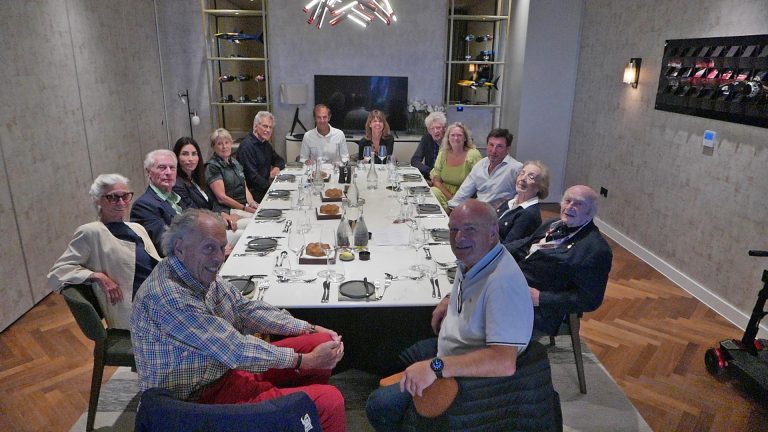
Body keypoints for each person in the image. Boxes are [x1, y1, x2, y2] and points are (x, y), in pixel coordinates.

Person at [131, 209, 346, 432]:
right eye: (209, 248)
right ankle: (294, 413)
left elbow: (246, 309)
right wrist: (304, 361)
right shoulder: (169, 297)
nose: (219, 257)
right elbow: (237, 350)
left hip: (220, 370)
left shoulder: (193, 272)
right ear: (180, 248)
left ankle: (294, 418)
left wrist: (308, 328)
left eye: (222, 247)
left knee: (318, 341)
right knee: (329, 401)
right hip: (195, 403)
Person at [366, 199, 533, 431]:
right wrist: (448, 298)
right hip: (450, 346)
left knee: (379, 405)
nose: (458, 238)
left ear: (493, 233)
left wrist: (435, 367)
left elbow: (504, 362)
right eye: (453, 229)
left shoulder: (503, 284)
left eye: (469, 229)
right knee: (379, 352)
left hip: (466, 373)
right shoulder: (476, 258)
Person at [48, 174, 160, 329]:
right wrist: (97, 276)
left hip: (160, 296)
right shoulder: (91, 232)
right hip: (137, 312)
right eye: (112, 197)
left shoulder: (137, 228)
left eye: (125, 196)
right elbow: (57, 273)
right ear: (97, 200)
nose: (121, 202)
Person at [504, 185, 613, 335]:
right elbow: (525, 245)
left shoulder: (595, 249)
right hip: (514, 283)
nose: (570, 207)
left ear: (590, 212)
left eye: (578, 204)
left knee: (484, 317)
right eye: (567, 200)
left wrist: (542, 298)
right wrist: (495, 251)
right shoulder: (553, 224)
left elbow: (590, 300)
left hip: (540, 308)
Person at [172, 137, 245, 246]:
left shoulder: (197, 178)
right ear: (176, 157)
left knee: (251, 226)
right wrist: (220, 219)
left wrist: (223, 214)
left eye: (194, 154)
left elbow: (212, 203)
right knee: (246, 235)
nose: (190, 158)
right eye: (185, 154)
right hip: (203, 234)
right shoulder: (178, 184)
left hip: (216, 221)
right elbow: (193, 214)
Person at [447, 128, 523, 210]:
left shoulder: (516, 168)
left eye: (499, 146)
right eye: (491, 145)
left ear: (508, 149)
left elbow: (521, 198)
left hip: (499, 216)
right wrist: (450, 208)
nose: (493, 151)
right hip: (478, 213)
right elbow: (463, 192)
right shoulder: (480, 165)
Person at [130, 149, 183, 254]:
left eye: (172, 168)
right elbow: (165, 245)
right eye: (162, 168)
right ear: (149, 172)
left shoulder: (177, 198)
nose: (168, 172)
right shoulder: (144, 205)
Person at [429, 122, 483, 210]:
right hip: (445, 194)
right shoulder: (443, 154)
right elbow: (436, 180)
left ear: (465, 138)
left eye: (459, 135)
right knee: (432, 192)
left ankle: (450, 213)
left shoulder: (473, 155)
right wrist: (450, 197)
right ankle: (448, 212)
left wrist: (457, 199)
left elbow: (480, 182)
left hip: (465, 196)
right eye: (452, 135)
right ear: (448, 138)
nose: (456, 138)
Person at [206, 128, 259, 215]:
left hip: (243, 206)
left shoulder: (235, 162)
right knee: (259, 220)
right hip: (227, 210)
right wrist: (244, 208)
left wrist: (252, 203)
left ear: (231, 144)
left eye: (227, 142)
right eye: (219, 144)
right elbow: (222, 198)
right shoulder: (212, 166)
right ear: (213, 147)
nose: (224, 147)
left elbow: (244, 187)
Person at [237, 111, 286, 202]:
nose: (268, 130)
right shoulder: (247, 146)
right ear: (255, 126)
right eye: (265, 126)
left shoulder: (265, 144)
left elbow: (280, 160)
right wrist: (272, 186)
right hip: (252, 195)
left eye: (270, 127)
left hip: (264, 189)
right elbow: (253, 177)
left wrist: (277, 168)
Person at [496, 160, 549, 243]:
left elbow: (508, 247)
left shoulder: (528, 215)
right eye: (522, 173)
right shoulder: (509, 203)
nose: (523, 178)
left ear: (540, 187)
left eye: (531, 177)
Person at [410, 111, 447, 181]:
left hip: (445, 179)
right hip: (430, 178)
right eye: (432, 128)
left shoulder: (451, 140)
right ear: (428, 130)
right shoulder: (426, 139)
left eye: (438, 127)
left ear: (444, 128)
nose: (435, 131)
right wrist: (429, 172)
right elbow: (415, 160)